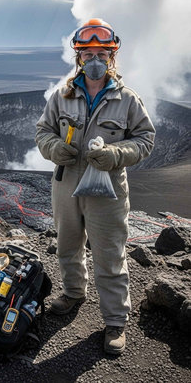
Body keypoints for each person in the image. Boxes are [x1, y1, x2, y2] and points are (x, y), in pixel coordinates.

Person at [35, 18, 155, 355]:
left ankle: (115, 320)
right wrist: (53, 148)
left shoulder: (128, 100)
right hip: (66, 182)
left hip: (108, 189)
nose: (95, 60)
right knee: (67, 245)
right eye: (88, 54)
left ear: (113, 57)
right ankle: (73, 293)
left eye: (102, 53)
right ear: (78, 58)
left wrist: (116, 154)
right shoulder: (62, 96)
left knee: (109, 253)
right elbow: (43, 131)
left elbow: (145, 139)